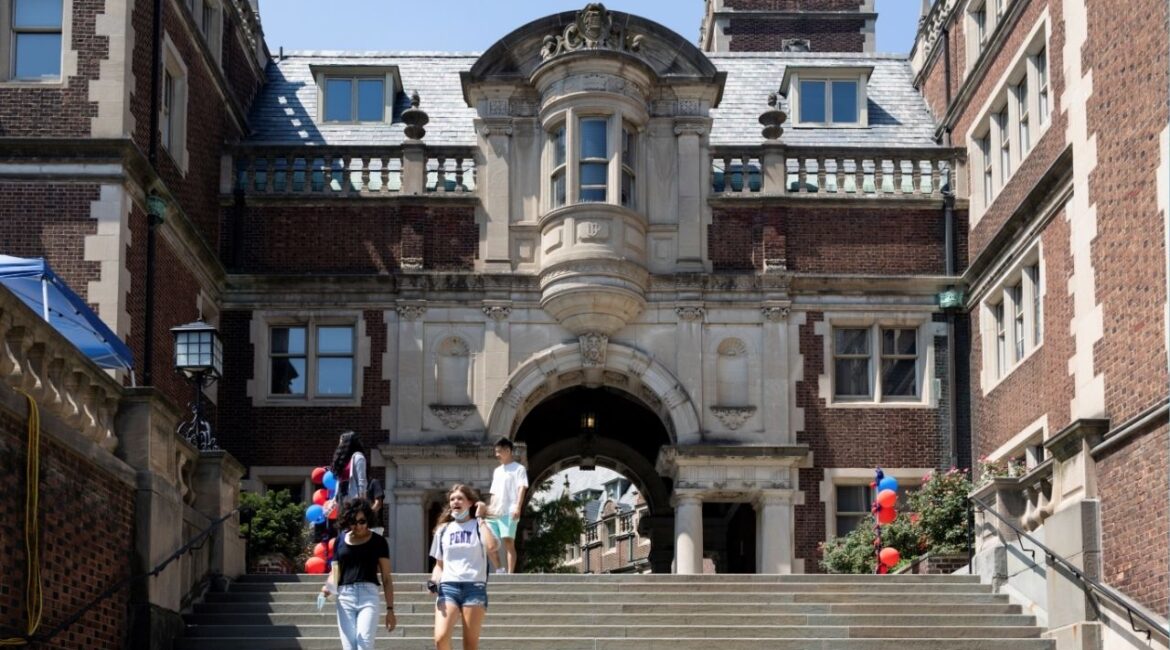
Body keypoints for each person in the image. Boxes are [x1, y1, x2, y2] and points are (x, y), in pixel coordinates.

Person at [429, 484, 499, 650]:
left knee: (470, 645)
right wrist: (433, 580)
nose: (455, 502)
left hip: (474, 587)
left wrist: (481, 518)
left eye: (460, 498)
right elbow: (439, 565)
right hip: (448, 587)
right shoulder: (443, 530)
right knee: (440, 638)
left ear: (470, 503)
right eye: (452, 499)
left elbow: (491, 547)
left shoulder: (479, 526)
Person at [320, 498, 396, 650]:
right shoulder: (340, 540)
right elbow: (335, 571)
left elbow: (387, 578)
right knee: (349, 647)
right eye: (353, 522)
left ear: (368, 519)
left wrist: (390, 610)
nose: (358, 526)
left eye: (362, 521)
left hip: (369, 596)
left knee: (364, 646)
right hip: (344, 596)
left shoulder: (379, 542)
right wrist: (327, 588)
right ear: (347, 522)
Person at [486, 437, 528, 573]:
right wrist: (489, 509)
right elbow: (493, 492)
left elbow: (522, 487)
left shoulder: (519, 469)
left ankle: (510, 574)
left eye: (499, 451)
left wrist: (517, 506)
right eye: (496, 451)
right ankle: (499, 569)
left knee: (508, 542)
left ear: (508, 450)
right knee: (488, 541)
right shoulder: (497, 471)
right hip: (495, 511)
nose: (496, 454)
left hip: (509, 510)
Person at [331, 431, 368, 503]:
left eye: (341, 442)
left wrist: (361, 502)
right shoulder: (343, 461)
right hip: (341, 497)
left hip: (353, 498)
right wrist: (334, 499)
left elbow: (362, 481)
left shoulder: (358, 457)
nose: (339, 445)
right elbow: (339, 481)